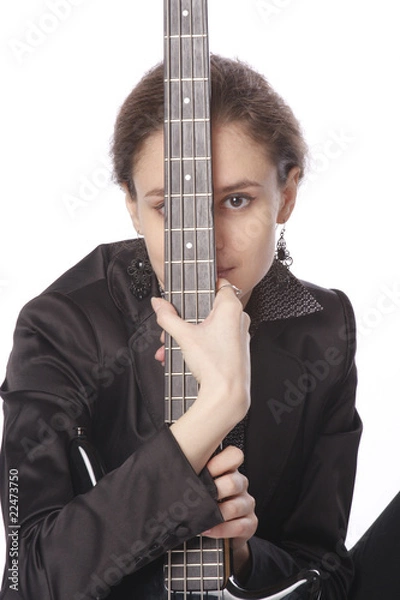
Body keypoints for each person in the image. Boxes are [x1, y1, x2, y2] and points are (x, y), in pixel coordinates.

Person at [0, 56, 362, 599]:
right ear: (131, 205)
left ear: (286, 194)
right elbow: (28, 579)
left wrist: (241, 558)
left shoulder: (325, 327)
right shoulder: (60, 326)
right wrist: (214, 408)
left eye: (236, 201)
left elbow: (328, 575)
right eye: (172, 207)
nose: (204, 241)